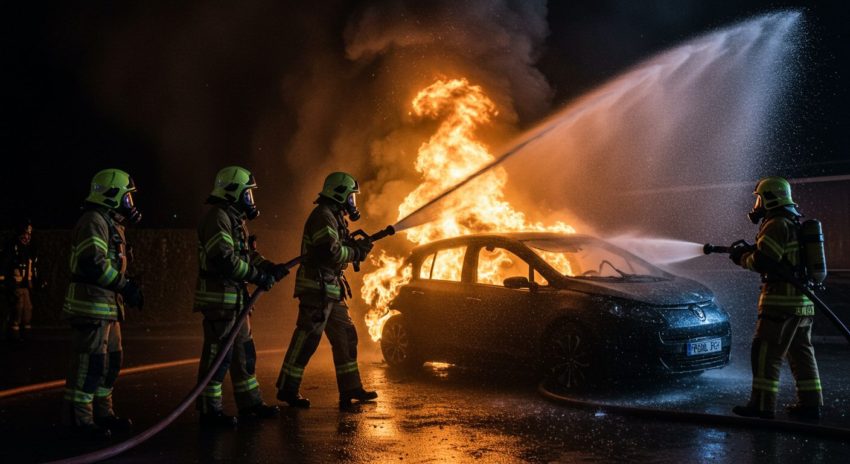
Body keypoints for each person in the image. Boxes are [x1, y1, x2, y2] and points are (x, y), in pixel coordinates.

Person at [194, 166, 288, 427]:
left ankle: (250, 403)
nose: (250, 200)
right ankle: (209, 411)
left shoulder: (235, 220)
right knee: (218, 358)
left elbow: (247, 256)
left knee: (244, 355)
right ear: (233, 192)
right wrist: (258, 277)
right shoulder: (217, 218)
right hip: (219, 301)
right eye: (247, 194)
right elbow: (225, 259)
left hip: (236, 302)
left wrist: (268, 266)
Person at [276, 172, 377, 410]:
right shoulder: (322, 216)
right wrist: (355, 252)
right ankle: (287, 389)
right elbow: (328, 252)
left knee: (346, 337)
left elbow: (337, 247)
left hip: (331, 289)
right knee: (306, 341)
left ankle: (351, 388)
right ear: (340, 194)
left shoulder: (334, 216)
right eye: (351, 197)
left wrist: (354, 247)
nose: (353, 203)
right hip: (316, 289)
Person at [61, 169, 144, 439]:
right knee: (90, 364)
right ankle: (80, 421)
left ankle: (103, 413)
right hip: (91, 306)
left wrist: (127, 287)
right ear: (111, 196)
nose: (130, 205)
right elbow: (92, 263)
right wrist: (125, 286)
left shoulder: (110, 223)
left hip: (107, 307)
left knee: (111, 363)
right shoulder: (93, 221)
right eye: (126, 198)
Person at [731, 176, 822, 421]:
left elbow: (764, 261)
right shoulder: (793, 222)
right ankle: (811, 404)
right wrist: (750, 250)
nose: (757, 204)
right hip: (802, 305)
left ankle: (762, 406)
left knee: (766, 354)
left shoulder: (775, 224)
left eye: (760, 197)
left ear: (771, 197)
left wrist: (742, 258)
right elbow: (779, 257)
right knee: (802, 353)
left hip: (779, 305)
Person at [2, 219, 44, 341]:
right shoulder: (12, 247)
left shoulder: (30, 249)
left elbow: (34, 267)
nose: (27, 236)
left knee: (28, 309)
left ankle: (26, 335)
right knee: (18, 308)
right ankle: (13, 335)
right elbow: (6, 264)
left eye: (29, 234)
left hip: (26, 285)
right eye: (25, 233)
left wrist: (39, 281)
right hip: (16, 285)